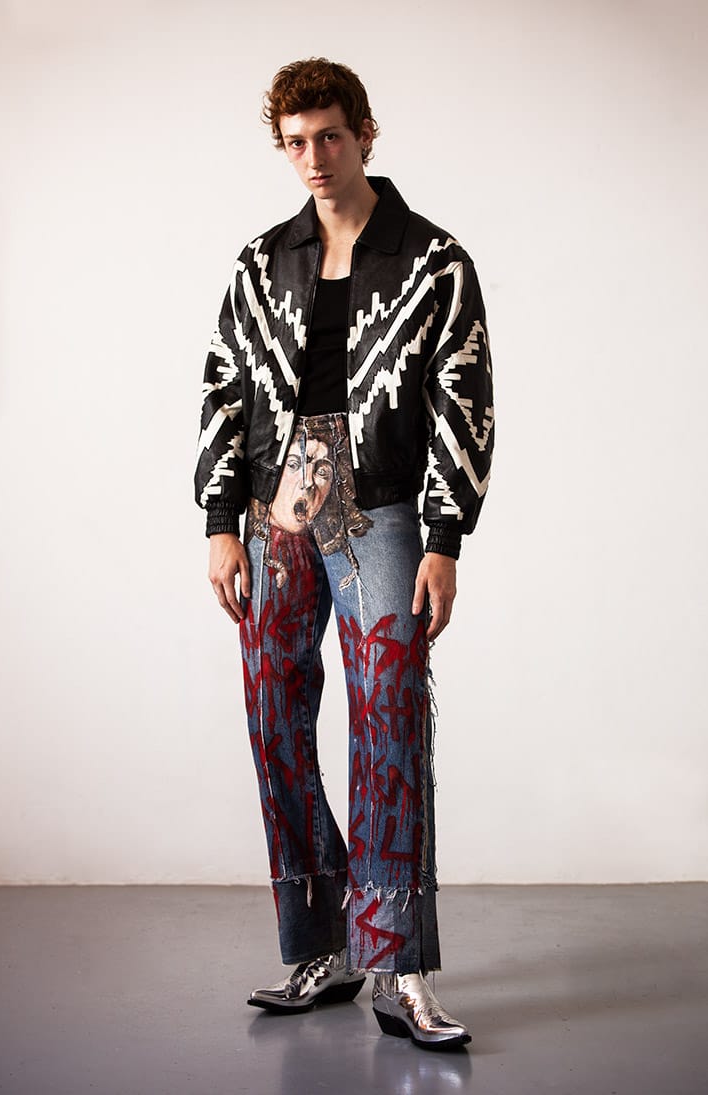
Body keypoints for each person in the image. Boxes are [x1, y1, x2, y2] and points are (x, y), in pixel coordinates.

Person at [194, 58, 494, 1050]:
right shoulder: (262, 261)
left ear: (364, 132)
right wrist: (220, 520)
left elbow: (463, 402)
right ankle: (323, 940)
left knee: (391, 713)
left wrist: (445, 538)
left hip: (383, 499)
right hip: (279, 496)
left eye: (329, 135)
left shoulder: (432, 260)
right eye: (296, 142)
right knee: (273, 708)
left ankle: (398, 964)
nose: (314, 158)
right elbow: (225, 387)